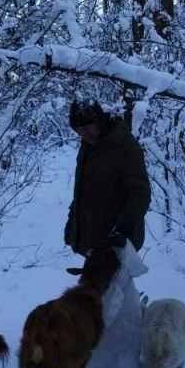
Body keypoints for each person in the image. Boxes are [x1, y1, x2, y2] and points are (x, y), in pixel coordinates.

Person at [64, 98, 151, 256]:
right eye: (79, 130)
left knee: (108, 281)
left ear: (100, 121)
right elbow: (84, 189)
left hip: (117, 244)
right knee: (92, 281)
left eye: (88, 127)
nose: (84, 134)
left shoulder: (123, 145)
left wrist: (120, 233)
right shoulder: (88, 146)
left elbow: (140, 194)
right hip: (95, 242)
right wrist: (73, 222)